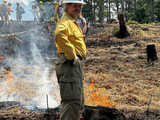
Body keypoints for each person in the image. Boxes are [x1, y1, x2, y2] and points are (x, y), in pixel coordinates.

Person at [55, 0, 86, 120]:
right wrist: (72, 56)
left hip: (73, 65)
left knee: (77, 102)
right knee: (71, 103)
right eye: (74, 6)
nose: (78, 8)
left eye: (79, 6)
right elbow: (59, 34)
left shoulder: (73, 22)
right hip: (69, 64)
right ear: (66, 7)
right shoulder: (66, 22)